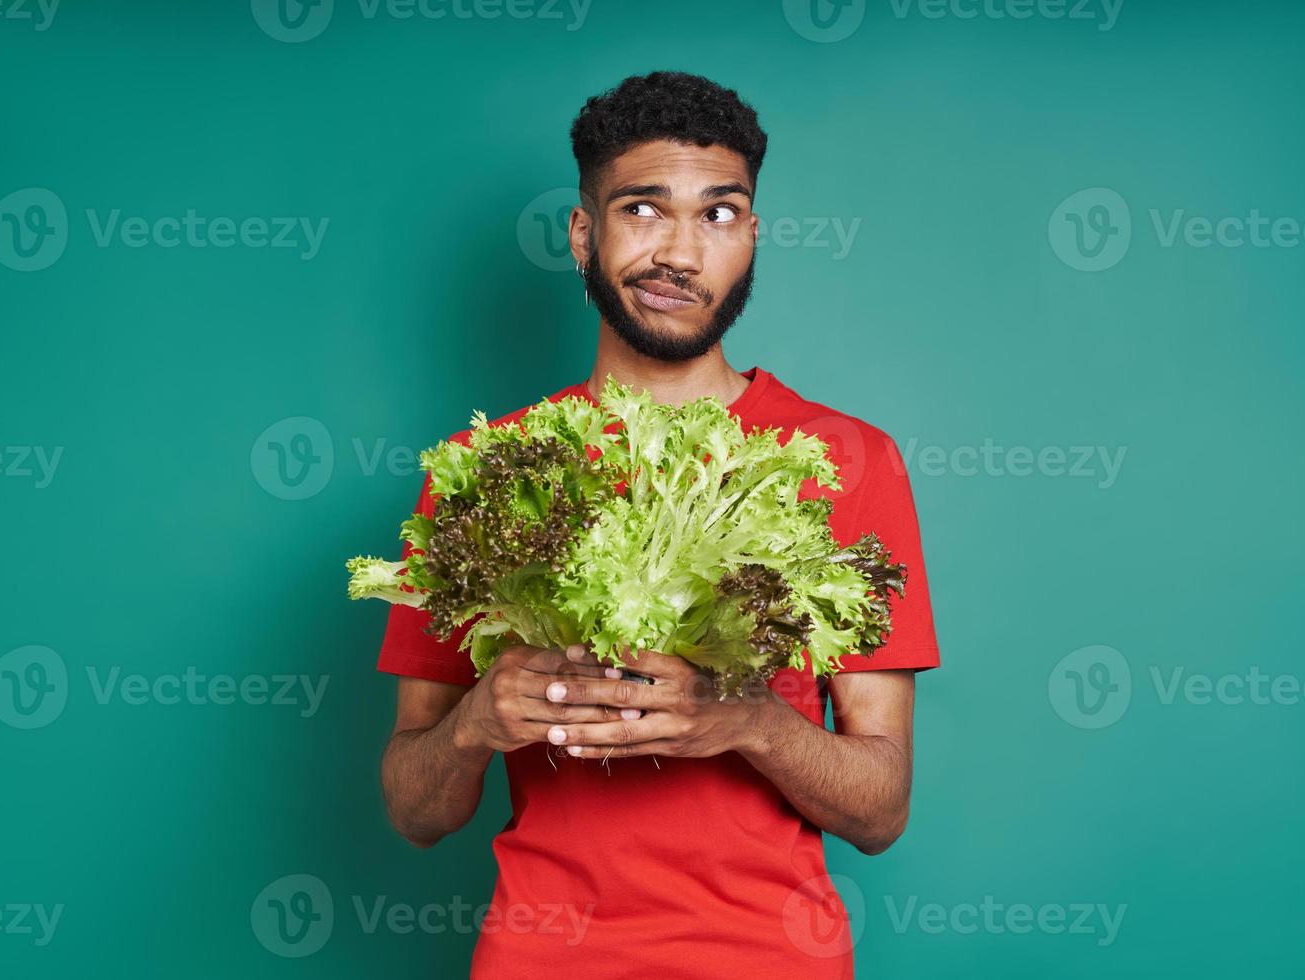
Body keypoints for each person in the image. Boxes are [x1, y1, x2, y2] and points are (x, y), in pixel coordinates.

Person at [375, 71, 940, 979]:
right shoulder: (487, 468)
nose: (681, 251)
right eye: (643, 209)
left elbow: (881, 810)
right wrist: (481, 719)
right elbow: (415, 810)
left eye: (719, 214)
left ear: (751, 238)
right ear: (582, 235)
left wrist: (745, 720)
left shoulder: (849, 460)